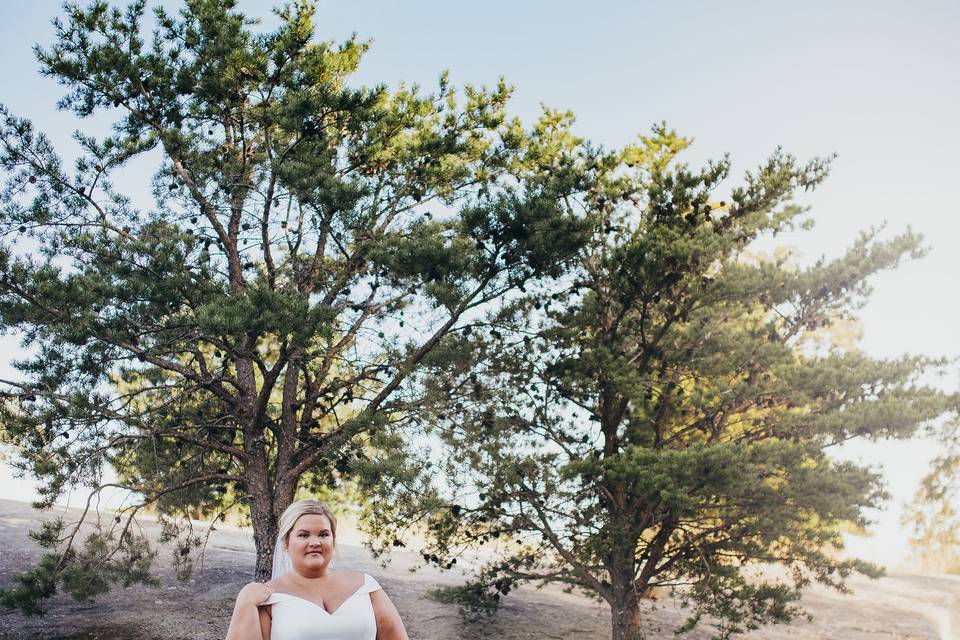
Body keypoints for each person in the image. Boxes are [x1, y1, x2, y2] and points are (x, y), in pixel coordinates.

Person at [225, 499, 409, 640]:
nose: (315, 542)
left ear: (333, 540)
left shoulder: (366, 587)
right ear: (286, 543)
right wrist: (245, 602)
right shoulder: (268, 598)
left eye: (323, 534)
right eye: (303, 535)